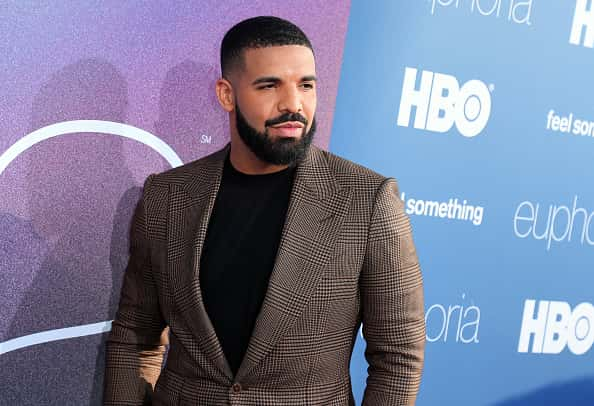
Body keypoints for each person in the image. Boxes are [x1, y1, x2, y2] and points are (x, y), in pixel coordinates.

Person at [104, 16, 425, 406]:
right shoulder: (166, 195)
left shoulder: (367, 200)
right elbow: (136, 336)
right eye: (269, 85)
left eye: (306, 85)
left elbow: (398, 356)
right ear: (226, 94)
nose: (294, 104)